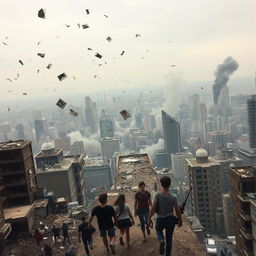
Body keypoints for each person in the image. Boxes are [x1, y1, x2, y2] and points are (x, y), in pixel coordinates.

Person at [149, 176, 182, 256]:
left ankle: (161, 240)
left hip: (160, 219)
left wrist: (149, 218)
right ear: (170, 184)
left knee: (158, 230)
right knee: (169, 240)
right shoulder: (173, 196)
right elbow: (177, 210)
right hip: (170, 220)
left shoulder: (157, 195)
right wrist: (180, 219)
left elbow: (153, 208)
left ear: (161, 184)